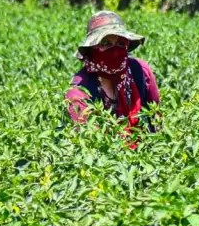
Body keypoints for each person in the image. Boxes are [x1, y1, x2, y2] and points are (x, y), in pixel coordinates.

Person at [65, 10, 159, 142]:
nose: (115, 51)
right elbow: (88, 143)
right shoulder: (79, 91)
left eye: (120, 43)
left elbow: (156, 120)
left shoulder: (139, 71)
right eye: (105, 44)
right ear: (92, 49)